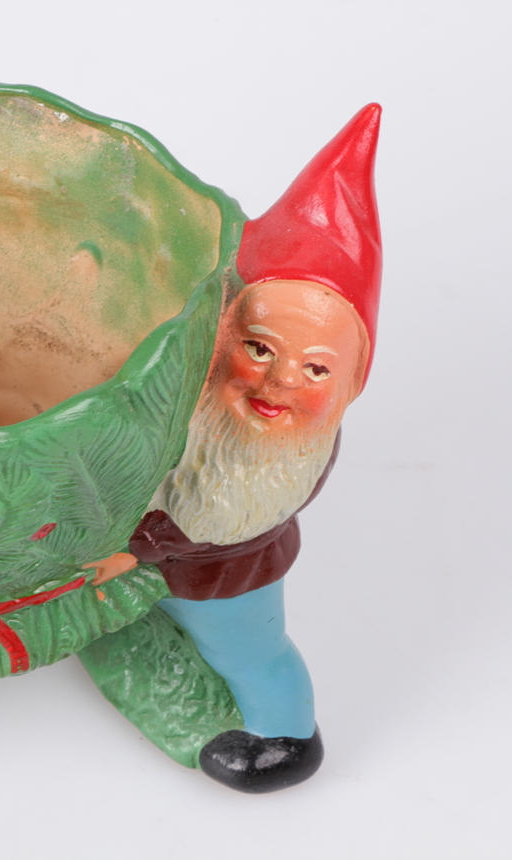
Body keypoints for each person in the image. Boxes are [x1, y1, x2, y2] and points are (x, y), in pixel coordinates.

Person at [85, 104, 382, 792]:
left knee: (246, 648)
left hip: (224, 577)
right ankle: (147, 645)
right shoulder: (201, 395)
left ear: (350, 384)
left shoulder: (279, 451)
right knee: (152, 611)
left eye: (316, 369)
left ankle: (284, 734)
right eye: (259, 348)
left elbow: (217, 516)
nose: (280, 382)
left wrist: (134, 550)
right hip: (153, 557)